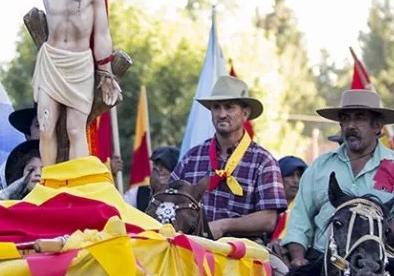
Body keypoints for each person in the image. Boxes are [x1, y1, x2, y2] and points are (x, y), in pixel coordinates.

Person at [283, 88, 394, 267]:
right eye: (346, 119)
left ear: (377, 126)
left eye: (359, 118)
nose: (351, 125)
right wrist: (298, 256)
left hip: (383, 261)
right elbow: (300, 218)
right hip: (323, 261)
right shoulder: (319, 166)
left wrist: (383, 230)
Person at [24, 0, 121, 167]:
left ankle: (78, 185)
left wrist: (107, 73)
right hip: (52, 61)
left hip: (79, 64)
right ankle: (48, 183)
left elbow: (101, 35)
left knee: (75, 130)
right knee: (45, 126)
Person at [170, 76, 287, 241]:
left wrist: (224, 225)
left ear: (245, 113)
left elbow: (268, 220)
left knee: (280, 268)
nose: (222, 114)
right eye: (216, 107)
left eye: (229, 107)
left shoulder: (264, 161)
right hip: (192, 249)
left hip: (244, 254)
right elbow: (168, 199)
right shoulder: (192, 158)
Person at [123, 145, 179, 212]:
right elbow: (120, 209)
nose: (158, 169)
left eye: (164, 165)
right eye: (155, 165)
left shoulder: (184, 196)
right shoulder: (138, 193)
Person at [269, 155, 307, 241]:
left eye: (299, 176)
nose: (296, 181)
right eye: (290, 175)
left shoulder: (305, 212)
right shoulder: (266, 208)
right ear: (277, 177)